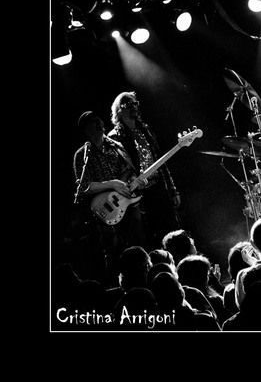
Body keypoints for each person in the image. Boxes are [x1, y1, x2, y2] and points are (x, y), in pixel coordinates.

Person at [72, 111, 145, 285]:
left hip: (127, 202)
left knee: (137, 243)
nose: (99, 124)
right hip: (103, 208)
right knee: (112, 250)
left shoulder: (116, 146)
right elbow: (84, 186)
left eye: (99, 120)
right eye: (93, 122)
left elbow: (129, 170)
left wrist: (136, 179)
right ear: (86, 129)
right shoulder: (82, 154)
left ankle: (141, 280)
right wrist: (112, 184)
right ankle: (116, 285)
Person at [107, 91, 181, 250]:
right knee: (149, 238)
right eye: (128, 104)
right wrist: (129, 179)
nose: (134, 107)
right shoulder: (114, 137)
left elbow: (161, 161)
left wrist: (172, 189)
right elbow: (114, 169)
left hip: (158, 186)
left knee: (171, 231)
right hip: (137, 195)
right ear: (119, 110)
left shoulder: (145, 130)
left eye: (135, 103)